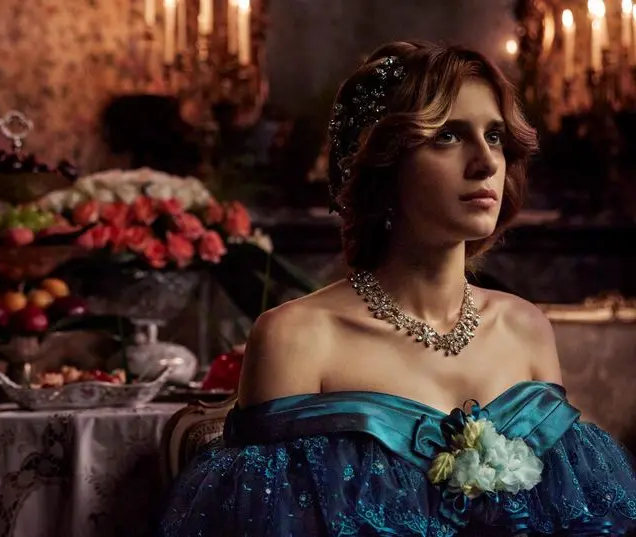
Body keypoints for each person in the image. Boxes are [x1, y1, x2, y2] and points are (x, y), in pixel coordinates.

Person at [158, 41, 636, 536]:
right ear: (383, 164)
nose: (486, 162)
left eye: (494, 136)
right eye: (447, 136)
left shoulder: (526, 328)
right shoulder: (297, 339)